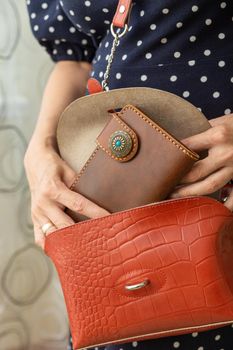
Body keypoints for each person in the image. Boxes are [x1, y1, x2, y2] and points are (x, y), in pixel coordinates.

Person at [24, 1, 233, 349]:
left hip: (222, 189)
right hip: (115, 206)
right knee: (120, 327)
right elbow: (74, 59)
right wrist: (40, 149)